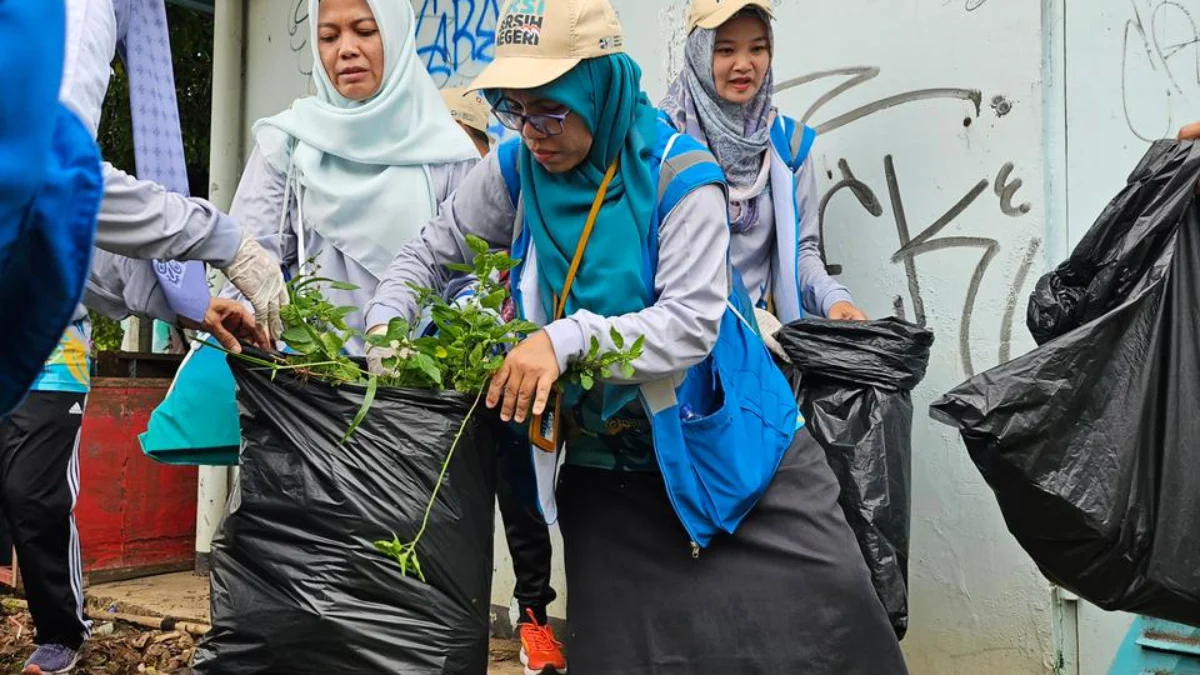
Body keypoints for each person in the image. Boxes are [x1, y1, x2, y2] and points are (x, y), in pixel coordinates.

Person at [365, 0, 908, 672]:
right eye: (515, 108)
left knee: (831, 625)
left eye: (551, 108)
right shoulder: (513, 170)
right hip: (609, 471)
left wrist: (564, 339)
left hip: (729, 449)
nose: (533, 130)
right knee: (627, 654)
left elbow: (687, 326)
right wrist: (387, 329)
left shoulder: (682, 178)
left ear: (598, 85)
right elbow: (430, 255)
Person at [5, 1, 272, 672]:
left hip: (46, 349)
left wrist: (183, 300)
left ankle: (62, 630)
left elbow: (71, 219)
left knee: (33, 493)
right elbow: (59, 173)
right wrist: (224, 239)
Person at [219, 0, 478, 353]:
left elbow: (474, 277)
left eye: (366, 31)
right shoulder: (288, 144)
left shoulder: (450, 154)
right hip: (308, 377)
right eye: (328, 36)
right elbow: (249, 265)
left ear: (396, 33)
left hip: (421, 381)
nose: (346, 50)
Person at [440, 86, 568, 675]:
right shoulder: (431, 200)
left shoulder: (505, 190)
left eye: (466, 137)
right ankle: (445, 617)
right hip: (444, 379)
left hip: (517, 369)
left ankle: (534, 620)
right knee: (451, 505)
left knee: (524, 498)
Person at [659, 0, 867, 357]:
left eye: (758, 48)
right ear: (698, 52)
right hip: (682, 353)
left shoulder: (787, 146)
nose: (744, 64)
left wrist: (834, 300)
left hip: (759, 351)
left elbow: (803, 250)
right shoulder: (662, 144)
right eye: (725, 50)